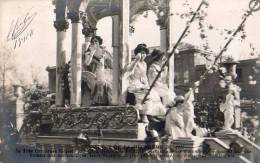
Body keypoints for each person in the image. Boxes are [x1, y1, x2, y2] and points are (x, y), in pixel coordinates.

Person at [83, 36, 113, 106]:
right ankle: (98, 101)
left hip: (104, 72)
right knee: (100, 82)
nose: (94, 43)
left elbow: (111, 64)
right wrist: (91, 53)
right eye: (92, 42)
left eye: (96, 41)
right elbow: (87, 63)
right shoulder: (88, 52)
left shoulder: (104, 52)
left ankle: (108, 101)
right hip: (94, 73)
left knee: (108, 84)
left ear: (99, 43)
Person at [124, 43, 150, 122]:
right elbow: (128, 70)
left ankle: (144, 114)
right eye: (142, 53)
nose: (143, 55)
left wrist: (146, 84)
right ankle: (137, 113)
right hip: (133, 82)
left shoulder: (144, 64)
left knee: (148, 93)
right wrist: (136, 60)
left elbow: (144, 76)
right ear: (137, 54)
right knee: (139, 92)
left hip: (140, 82)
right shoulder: (134, 62)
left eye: (145, 53)